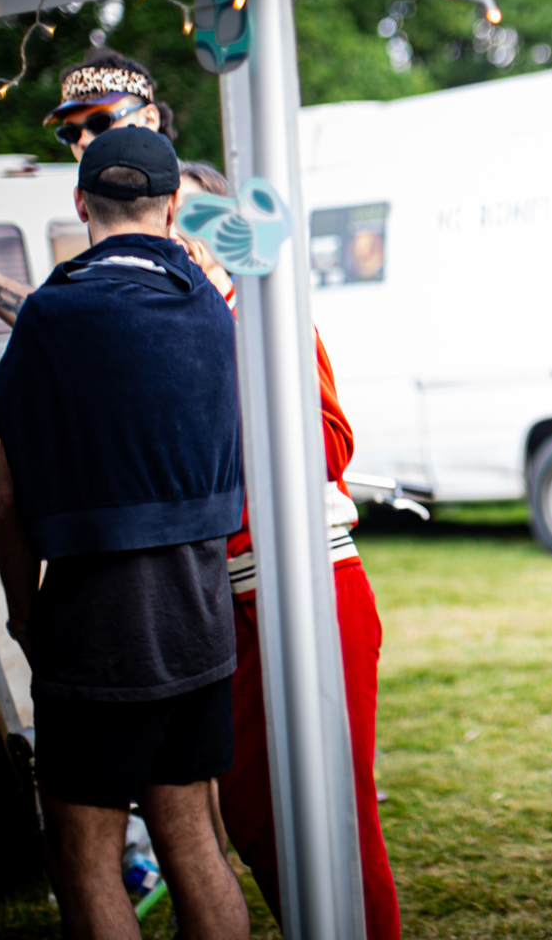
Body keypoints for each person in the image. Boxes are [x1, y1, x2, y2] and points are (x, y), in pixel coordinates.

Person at [0, 127, 248, 940]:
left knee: (84, 857)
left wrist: (23, 619)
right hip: (200, 620)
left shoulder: (52, 316)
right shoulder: (212, 309)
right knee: (194, 839)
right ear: (171, 209)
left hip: (94, 632)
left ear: (80, 203)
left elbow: (10, 497)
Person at [176, 161, 402, 939]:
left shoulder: (269, 316)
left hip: (310, 583)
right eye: (170, 217)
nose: (183, 234)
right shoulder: (172, 318)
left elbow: (332, 445)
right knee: (247, 808)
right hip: (216, 599)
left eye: (196, 217)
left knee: (337, 810)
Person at [0, 49, 172, 324]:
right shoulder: (99, 203)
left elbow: (69, 318)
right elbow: (71, 318)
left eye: (100, 122)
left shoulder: (190, 197)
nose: (83, 140)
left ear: (149, 119)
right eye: (70, 132)